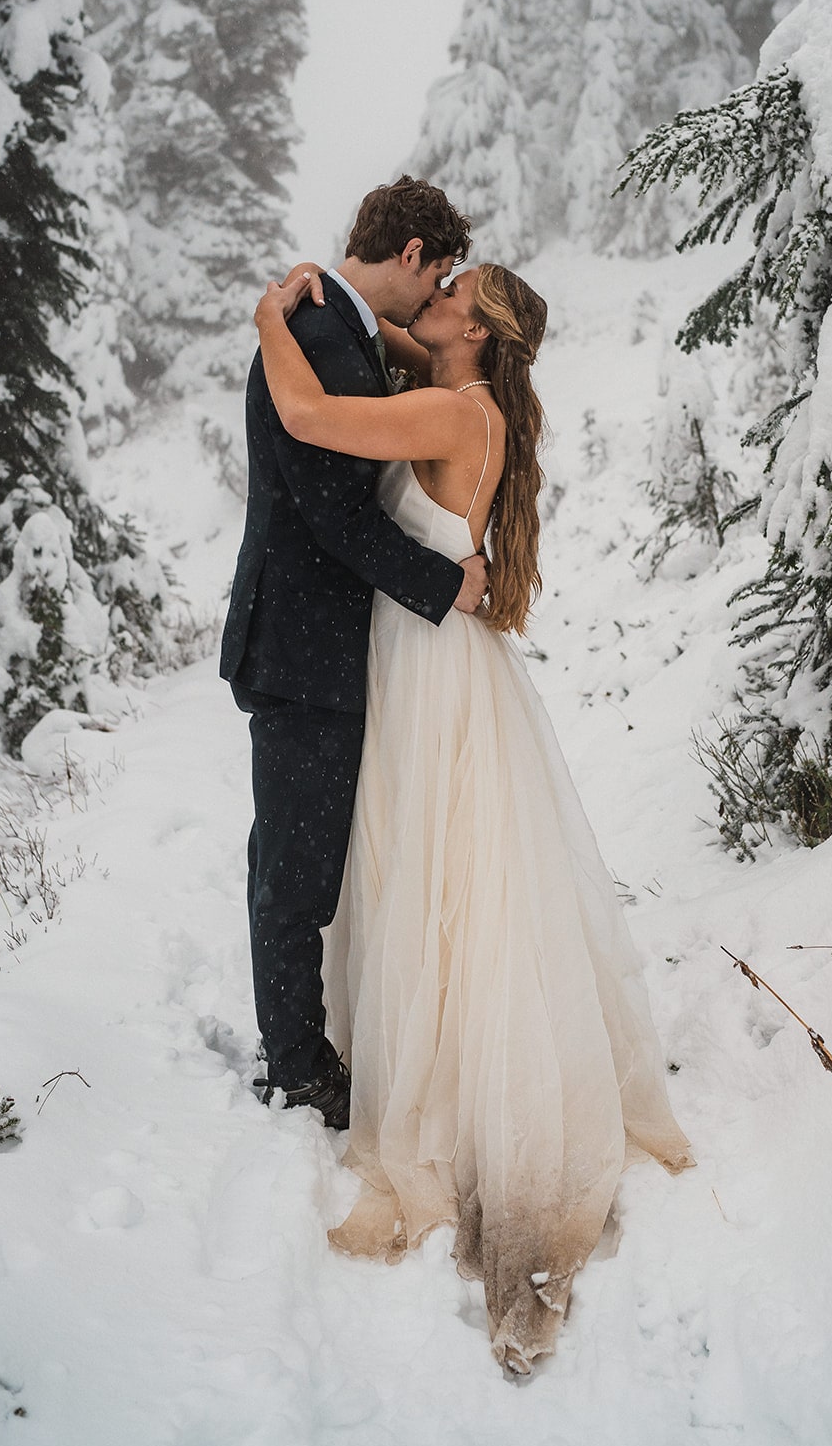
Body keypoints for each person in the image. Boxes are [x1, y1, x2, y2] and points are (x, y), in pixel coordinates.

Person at [252, 260, 695, 1376]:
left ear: (476, 329)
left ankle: (449, 1087)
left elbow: (308, 410)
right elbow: (386, 340)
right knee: (446, 872)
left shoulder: (456, 404)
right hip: (437, 656)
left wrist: (267, 310)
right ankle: (440, 1050)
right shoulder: (464, 385)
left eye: (449, 291)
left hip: (429, 667)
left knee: (442, 873)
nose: (431, 297)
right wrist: (355, 305)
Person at [219, 178, 487, 1132]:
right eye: (438, 270)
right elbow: (333, 513)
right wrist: (441, 583)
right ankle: (296, 1066)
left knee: (303, 857)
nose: (436, 293)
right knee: (293, 872)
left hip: (322, 646)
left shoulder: (336, 325)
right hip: (300, 648)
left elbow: (426, 353)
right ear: (411, 252)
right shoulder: (320, 333)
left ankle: (303, 1043)